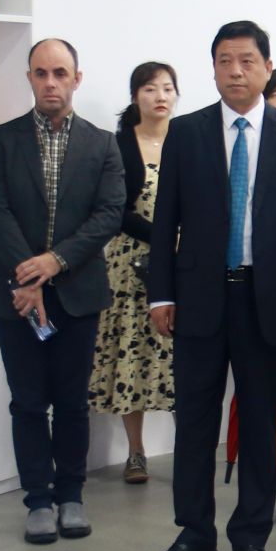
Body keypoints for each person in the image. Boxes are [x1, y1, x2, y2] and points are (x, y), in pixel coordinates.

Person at [144, 20, 276, 551]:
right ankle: (194, 533)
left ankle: (251, 537)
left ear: (267, 68)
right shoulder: (187, 132)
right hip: (199, 297)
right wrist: (160, 294)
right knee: (194, 421)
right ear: (212, 69)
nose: (235, 71)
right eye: (224, 61)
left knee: (258, 423)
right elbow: (165, 222)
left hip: (270, 299)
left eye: (247, 60)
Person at [0, 38, 126, 544]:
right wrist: (29, 277)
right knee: (27, 402)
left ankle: (71, 495)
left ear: (76, 79)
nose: (50, 83)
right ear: (30, 78)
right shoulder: (2, 141)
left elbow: (108, 214)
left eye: (60, 73)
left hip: (77, 293)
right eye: (41, 73)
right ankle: (38, 500)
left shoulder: (102, 144)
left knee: (72, 402)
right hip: (16, 297)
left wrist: (54, 262)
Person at [88, 61, 179, 482]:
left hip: (182, 262)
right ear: (135, 96)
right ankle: (136, 452)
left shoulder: (189, 139)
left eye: (167, 88)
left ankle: (189, 447)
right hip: (130, 264)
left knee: (181, 359)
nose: (160, 96)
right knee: (132, 353)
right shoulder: (119, 145)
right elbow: (114, 210)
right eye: (149, 89)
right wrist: (164, 237)